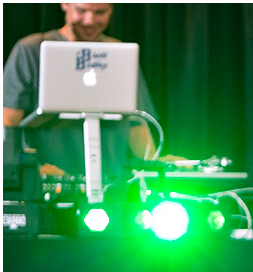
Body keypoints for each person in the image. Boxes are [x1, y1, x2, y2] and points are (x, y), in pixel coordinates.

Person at [3, 3, 158, 178]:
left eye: (100, 12)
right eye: (81, 10)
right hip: (49, 186)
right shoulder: (31, 50)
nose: (89, 21)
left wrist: (156, 166)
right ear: (65, 4)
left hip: (111, 188)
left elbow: (136, 124)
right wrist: (30, 169)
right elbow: (7, 123)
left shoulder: (120, 52)